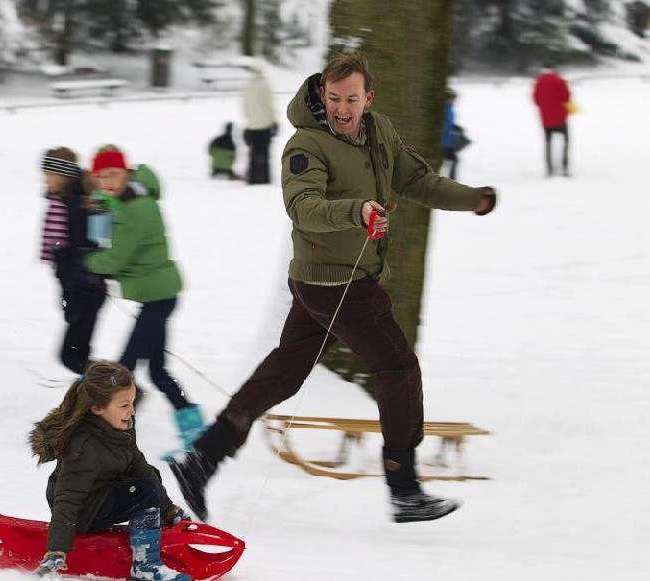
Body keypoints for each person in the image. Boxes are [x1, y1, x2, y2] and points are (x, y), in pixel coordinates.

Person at [167, 52, 497, 525]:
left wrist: (473, 199)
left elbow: (416, 180)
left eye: (353, 99)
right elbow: (303, 206)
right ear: (322, 94)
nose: (343, 108)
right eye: (335, 97)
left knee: (285, 372)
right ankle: (403, 487)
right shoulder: (306, 145)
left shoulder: (380, 131)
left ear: (369, 98)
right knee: (399, 368)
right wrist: (355, 211)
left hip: (328, 281)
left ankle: (201, 460)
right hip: (335, 280)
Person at [81, 147, 204, 452]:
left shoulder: (137, 208)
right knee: (157, 371)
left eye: (113, 174)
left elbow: (117, 258)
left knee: (124, 368)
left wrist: (84, 262)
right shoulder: (126, 200)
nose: (108, 182)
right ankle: (197, 433)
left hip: (158, 297)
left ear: (127, 173)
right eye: (101, 176)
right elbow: (110, 232)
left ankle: (106, 433)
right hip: (157, 295)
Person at [29, 360, 191, 580]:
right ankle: (145, 566)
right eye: (124, 405)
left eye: (132, 403)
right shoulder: (84, 447)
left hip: (101, 491)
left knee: (148, 476)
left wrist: (168, 509)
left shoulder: (120, 429)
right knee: (143, 490)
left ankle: (150, 527)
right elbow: (68, 497)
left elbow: (139, 467)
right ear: (97, 408)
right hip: (83, 511)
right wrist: (56, 549)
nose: (132, 411)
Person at [38, 147, 107, 375]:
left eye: (50, 174)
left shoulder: (78, 205)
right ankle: (106, 399)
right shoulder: (67, 202)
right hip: (81, 288)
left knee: (71, 356)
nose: (46, 179)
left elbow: (91, 247)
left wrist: (77, 291)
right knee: (77, 355)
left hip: (86, 289)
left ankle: (123, 390)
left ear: (64, 176)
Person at [241, 61, 277, 184]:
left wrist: (249, 119)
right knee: (264, 153)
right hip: (264, 124)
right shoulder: (265, 85)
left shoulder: (248, 86)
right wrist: (273, 120)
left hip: (252, 125)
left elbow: (244, 107)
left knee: (253, 152)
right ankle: (264, 178)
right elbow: (268, 105)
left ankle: (252, 177)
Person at [533, 63, 572, 177]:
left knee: (548, 143)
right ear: (553, 70)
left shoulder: (538, 82)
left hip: (546, 119)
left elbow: (536, 100)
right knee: (565, 141)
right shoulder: (560, 80)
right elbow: (567, 97)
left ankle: (549, 169)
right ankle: (564, 167)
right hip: (560, 117)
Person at [441, 89, 469, 180]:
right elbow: (443, 124)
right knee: (454, 160)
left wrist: (455, 127)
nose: (454, 101)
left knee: (453, 160)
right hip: (443, 142)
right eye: (452, 99)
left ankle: (451, 180)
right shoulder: (445, 109)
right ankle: (452, 180)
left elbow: (448, 124)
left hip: (448, 141)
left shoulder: (450, 109)